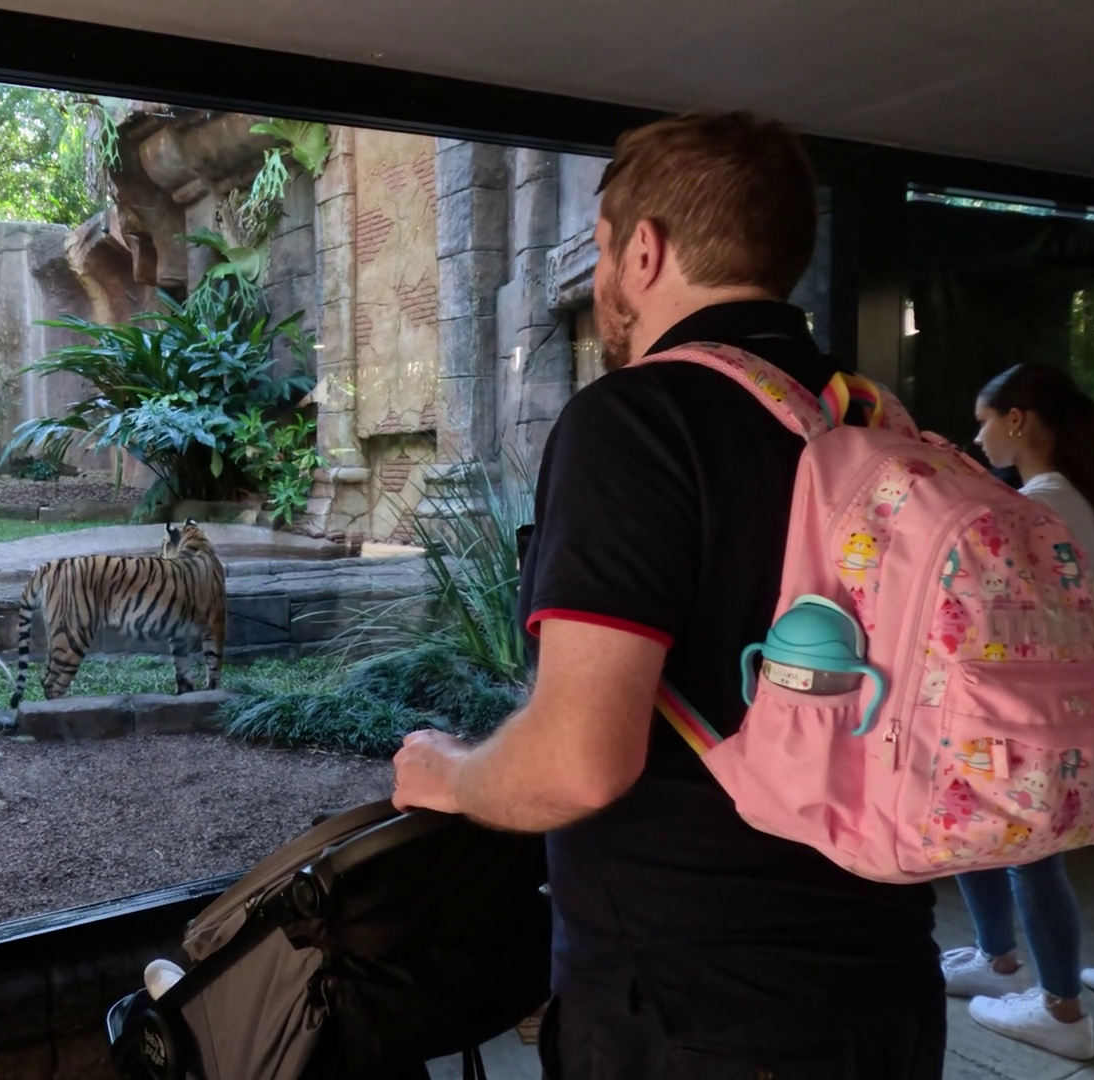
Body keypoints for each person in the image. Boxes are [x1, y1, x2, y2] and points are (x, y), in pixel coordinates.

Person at [390, 111, 945, 1077]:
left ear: (642, 251)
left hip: (698, 1013)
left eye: (605, 249)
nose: (605, 275)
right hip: (888, 988)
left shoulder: (637, 419)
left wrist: (452, 774)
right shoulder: (874, 420)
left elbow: (578, 765)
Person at [937, 363, 1094, 1059]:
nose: (978, 435)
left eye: (984, 420)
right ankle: (997, 960)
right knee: (983, 833)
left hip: (1023, 712)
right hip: (1040, 708)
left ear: (1016, 420)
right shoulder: (1067, 500)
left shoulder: (1036, 508)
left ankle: (1061, 1007)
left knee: (1030, 856)